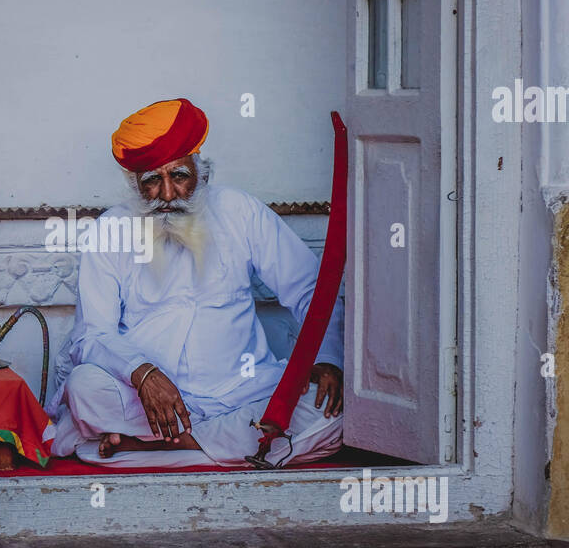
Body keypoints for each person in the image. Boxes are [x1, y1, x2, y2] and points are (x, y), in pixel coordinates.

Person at [46, 97, 345, 468]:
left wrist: (329, 358)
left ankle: (165, 447)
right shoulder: (111, 229)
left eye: (180, 177)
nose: (168, 195)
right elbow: (93, 334)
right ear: (135, 185)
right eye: (153, 181)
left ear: (202, 173)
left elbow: (310, 291)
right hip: (149, 403)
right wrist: (143, 374)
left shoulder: (240, 210)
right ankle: (231, 446)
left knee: (331, 411)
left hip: (245, 390)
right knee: (85, 388)